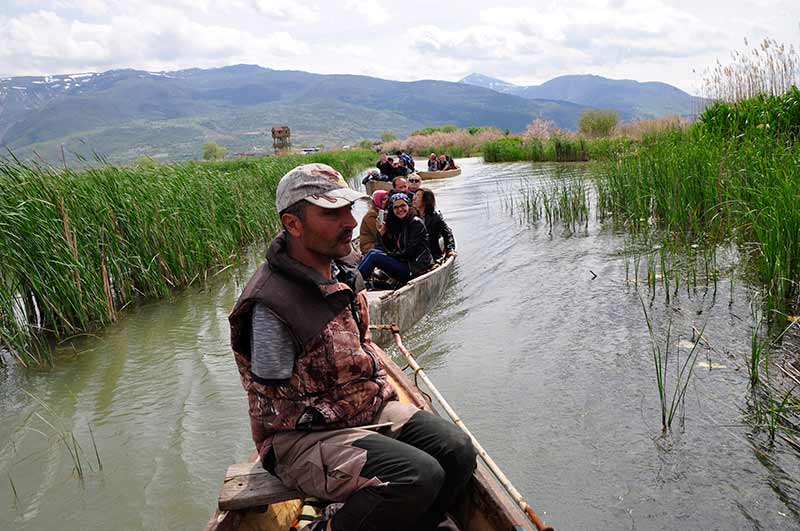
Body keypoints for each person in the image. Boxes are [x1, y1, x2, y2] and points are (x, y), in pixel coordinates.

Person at [229, 164, 476, 531]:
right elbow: (272, 399)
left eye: (348, 208)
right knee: (414, 475)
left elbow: (359, 345)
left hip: (366, 409)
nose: (350, 221)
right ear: (293, 224)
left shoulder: (345, 269)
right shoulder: (271, 305)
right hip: (303, 439)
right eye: (332, 212)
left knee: (457, 450)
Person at [358, 192, 434, 283]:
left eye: (403, 206)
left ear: (409, 206)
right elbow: (389, 247)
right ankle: (356, 280)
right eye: (396, 207)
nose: (400, 209)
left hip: (415, 268)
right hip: (404, 263)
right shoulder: (398, 223)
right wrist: (383, 234)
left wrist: (389, 254)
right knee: (372, 252)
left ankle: (355, 284)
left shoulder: (415, 223)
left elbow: (409, 252)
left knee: (375, 256)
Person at [413, 188, 456, 261]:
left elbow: (447, 233)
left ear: (426, 200)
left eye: (418, 196)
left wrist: (450, 249)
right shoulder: (412, 216)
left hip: (432, 252)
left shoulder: (435, 217)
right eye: (414, 195)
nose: (414, 198)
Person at [359, 189, 389, 254]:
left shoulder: (381, 211)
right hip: (369, 245)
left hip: (376, 242)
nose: (387, 201)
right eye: (384, 199)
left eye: (387, 199)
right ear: (377, 201)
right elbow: (377, 233)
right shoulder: (371, 215)